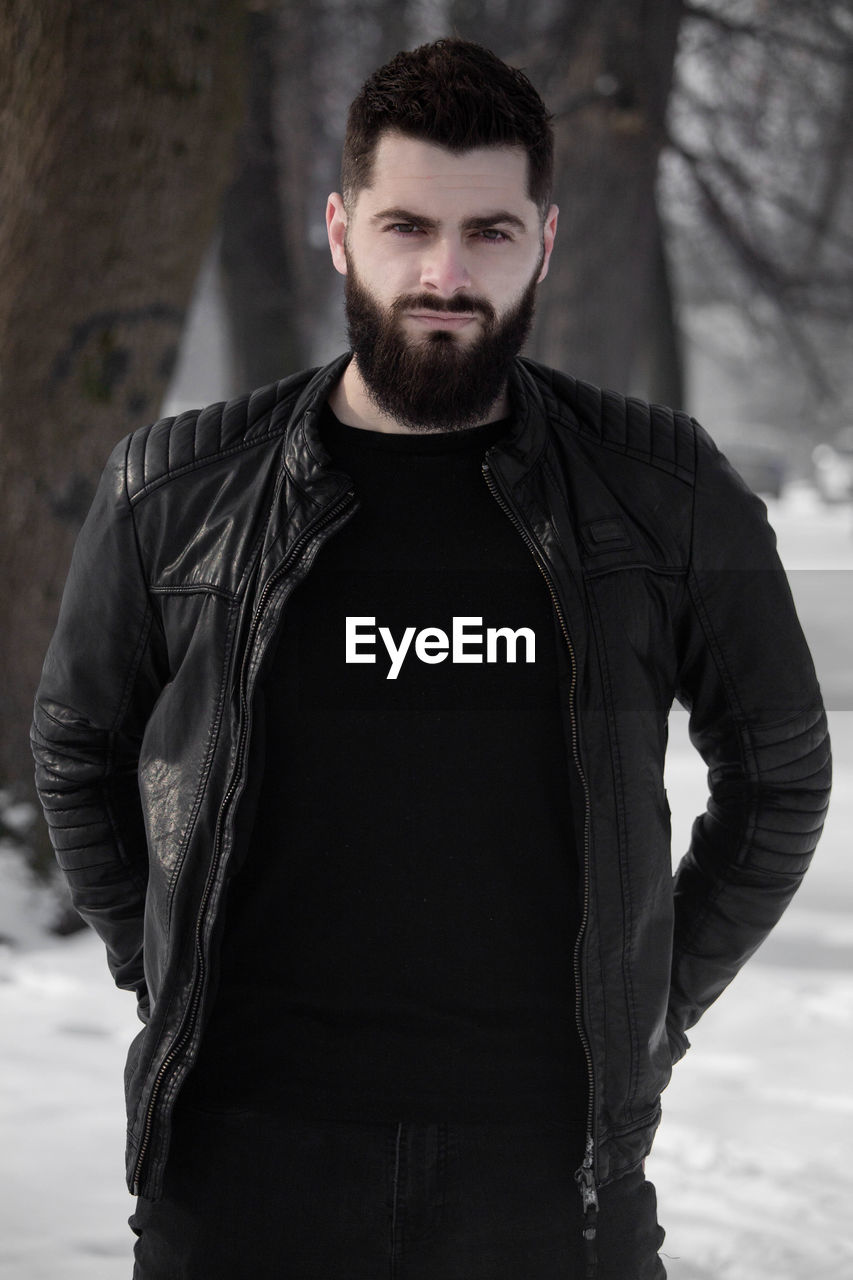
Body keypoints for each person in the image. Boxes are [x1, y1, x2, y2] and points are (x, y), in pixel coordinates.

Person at [31, 38, 831, 1280]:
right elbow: (76, 743)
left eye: (490, 233)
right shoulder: (174, 491)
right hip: (241, 1175)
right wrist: (158, 955)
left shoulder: (666, 490)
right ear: (340, 229)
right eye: (408, 226)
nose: (445, 274)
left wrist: (656, 997)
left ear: (544, 242)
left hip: (548, 1181)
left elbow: (780, 771)